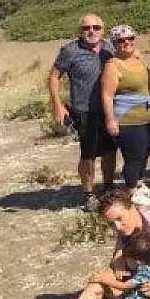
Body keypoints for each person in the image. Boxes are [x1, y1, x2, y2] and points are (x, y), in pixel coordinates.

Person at [48, 14, 117, 208]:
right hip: (84, 110)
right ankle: (88, 193)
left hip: (109, 109)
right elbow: (54, 77)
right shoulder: (70, 50)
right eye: (87, 28)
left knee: (110, 150)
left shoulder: (109, 48)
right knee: (88, 154)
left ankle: (109, 187)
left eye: (96, 27)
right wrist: (58, 106)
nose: (91, 31)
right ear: (81, 30)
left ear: (103, 29)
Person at [100, 25, 150, 205]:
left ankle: (139, 184)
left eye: (130, 39)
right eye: (121, 41)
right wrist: (110, 120)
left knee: (146, 151)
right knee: (133, 156)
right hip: (126, 120)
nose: (126, 43)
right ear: (114, 44)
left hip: (147, 116)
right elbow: (107, 95)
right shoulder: (113, 65)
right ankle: (131, 190)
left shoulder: (139, 59)